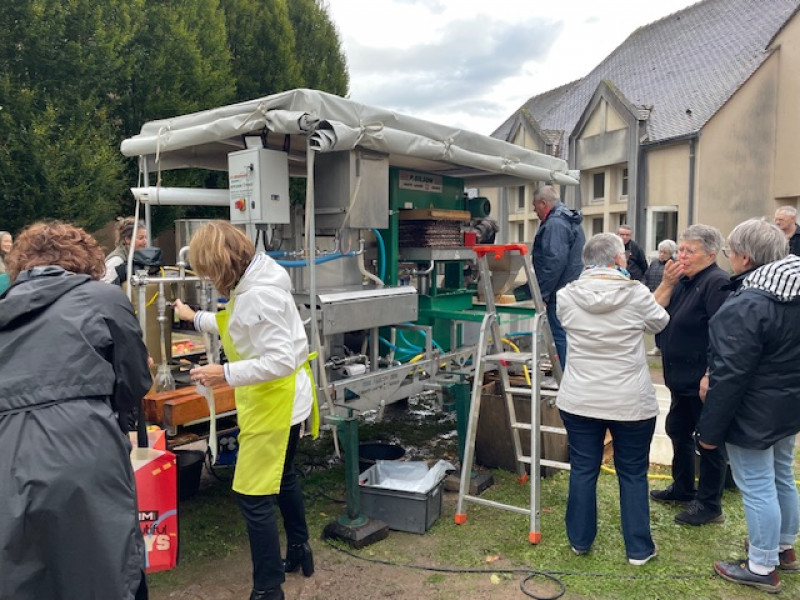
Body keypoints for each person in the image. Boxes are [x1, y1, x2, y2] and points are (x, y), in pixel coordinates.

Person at [0, 221, 152, 600]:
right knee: (105, 566)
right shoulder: (102, 297)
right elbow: (134, 380)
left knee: (23, 575)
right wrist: (114, 418)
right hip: (83, 443)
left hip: (7, 453)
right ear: (86, 261)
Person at [172, 220, 319, 600]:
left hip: (276, 401)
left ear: (220, 264)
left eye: (207, 271)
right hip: (283, 397)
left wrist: (224, 372)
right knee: (283, 479)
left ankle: (268, 589)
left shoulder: (258, 295)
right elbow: (236, 324)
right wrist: (194, 318)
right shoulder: (256, 280)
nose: (208, 279)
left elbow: (281, 360)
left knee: (252, 496)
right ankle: (300, 550)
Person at [697, 219, 799, 594]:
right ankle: (782, 546)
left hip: (754, 409)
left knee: (758, 485)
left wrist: (708, 432)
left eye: (729, 252)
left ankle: (761, 565)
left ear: (744, 257)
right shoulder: (793, 290)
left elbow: (729, 374)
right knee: (781, 475)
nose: (729, 259)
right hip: (787, 405)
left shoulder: (749, 303)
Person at [556, 233, 669, 565]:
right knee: (633, 472)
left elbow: (567, 324)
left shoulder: (566, 296)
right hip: (629, 401)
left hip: (580, 399)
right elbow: (660, 322)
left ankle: (579, 541)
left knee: (583, 469)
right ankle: (638, 549)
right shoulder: (636, 294)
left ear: (585, 261)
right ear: (620, 259)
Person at [649, 224, 731, 526]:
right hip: (679, 378)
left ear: (710, 254)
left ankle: (709, 504)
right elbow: (654, 313)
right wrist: (668, 283)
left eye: (689, 250)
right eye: (680, 249)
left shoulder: (717, 282)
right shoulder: (683, 280)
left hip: (701, 380)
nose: (681, 255)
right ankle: (682, 488)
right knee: (677, 430)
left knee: (708, 441)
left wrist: (711, 373)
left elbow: (721, 334)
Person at [531, 185, 585, 369]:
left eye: (535, 205)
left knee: (560, 336)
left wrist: (543, 294)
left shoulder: (555, 223)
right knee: (568, 335)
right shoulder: (567, 219)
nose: (533, 210)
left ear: (543, 203)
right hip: (570, 288)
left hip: (558, 292)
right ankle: (569, 376)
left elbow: (553, 261)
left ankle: (564, 379)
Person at [644, 239, 677, 356]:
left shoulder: (674, 265)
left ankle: (666, 346)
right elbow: (646, 276)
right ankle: (658, 346)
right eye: (661, 252)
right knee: (655, 321)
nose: (662, 254)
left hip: (667, 297)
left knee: (666, 323)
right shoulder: (654, 263)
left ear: (671, 253)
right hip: (653, 295)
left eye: (665, 252)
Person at [104, 217, 148, 284]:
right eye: (141, 238)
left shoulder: (138, 259)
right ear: (127, 239)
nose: (145, 242)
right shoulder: (116, 260)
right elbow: (105, 287)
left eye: (146, 238)